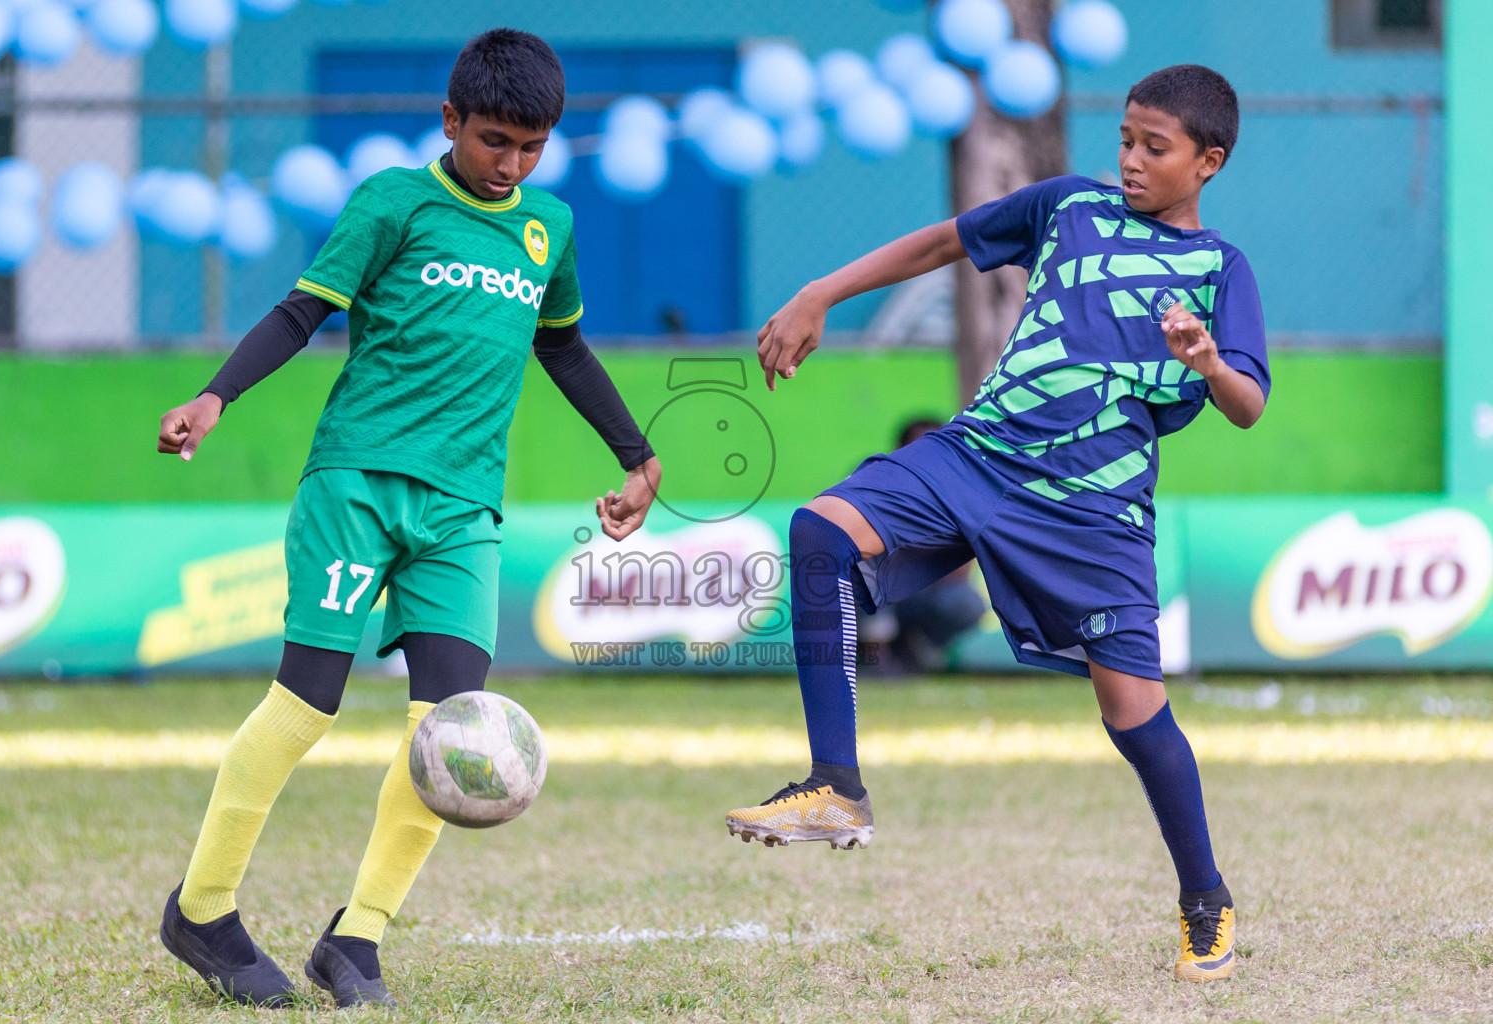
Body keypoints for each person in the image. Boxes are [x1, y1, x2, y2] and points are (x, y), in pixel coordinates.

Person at [153, 29, 661, 1008]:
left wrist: (637, 455)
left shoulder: (547, 227)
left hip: (465, 508)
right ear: (450, 121)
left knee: (452, 732)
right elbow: (302, 312)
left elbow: (564, 350)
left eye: (529, 147)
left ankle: (359, 938)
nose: (509, 162)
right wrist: (216, 397)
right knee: (307, 705)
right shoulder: (393, 201)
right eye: (492, 141)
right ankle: (203, 907)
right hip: (359, 484)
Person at [725, 64, 1265, 984]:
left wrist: (1210, 362)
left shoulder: (1221, 270)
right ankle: (836, 787)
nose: (1131, 160)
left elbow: (1248, 403)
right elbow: (944, 242)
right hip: (979, 455)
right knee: (820, 532)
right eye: (1125, 140)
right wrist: (821, 291)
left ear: (1208, 162)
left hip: (1093, 512)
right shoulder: (1070, 207)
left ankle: (1204, 896)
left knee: (1135, 717)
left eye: (1155, 148)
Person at [859, 418, 988, 674]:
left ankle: (916, 656)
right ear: (899, 451)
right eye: (919, 448)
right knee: (863, 575)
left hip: (924, 590)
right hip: (880, 584)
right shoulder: (874, 481)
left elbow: (961, 568)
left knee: (966, 602)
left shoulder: (960, 494)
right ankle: (874, 658)